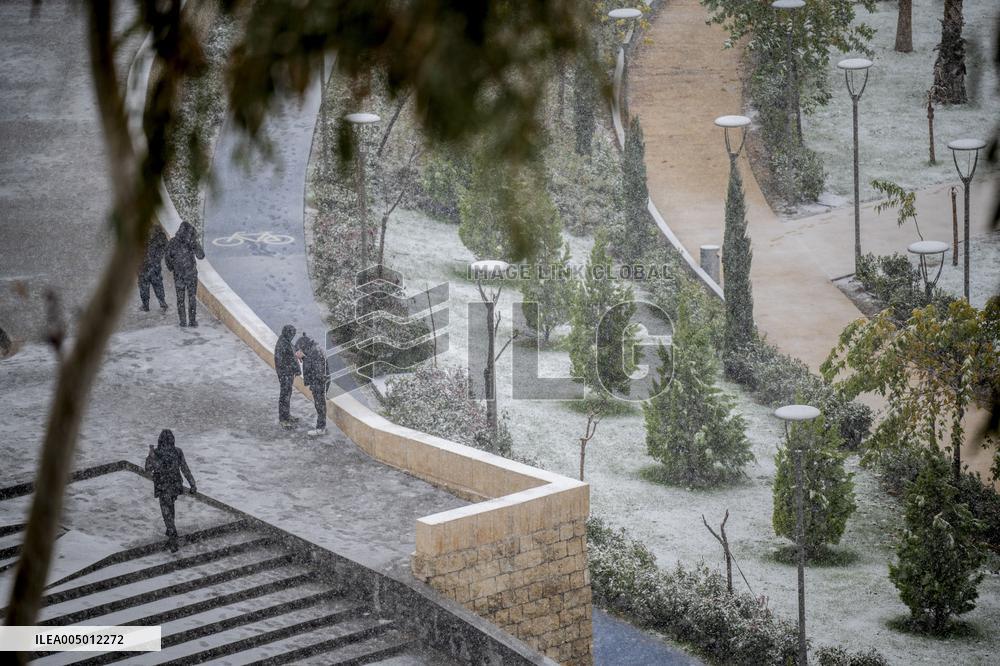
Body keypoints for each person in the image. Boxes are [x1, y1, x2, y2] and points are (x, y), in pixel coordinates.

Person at [145, 429, 196, 552]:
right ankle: (170, 531)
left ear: (160, 440)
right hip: (175, 485)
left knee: (166, 511)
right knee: (170, 509)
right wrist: (192, 484)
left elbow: (148, 469)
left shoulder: (156, 453)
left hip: (163, 486)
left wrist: (150, 455)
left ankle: (173, 537)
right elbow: (184, 468)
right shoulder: (177, 451)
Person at [165, 221, 205, 327]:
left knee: (180, 299)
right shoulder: (191, 241)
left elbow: (167, 257)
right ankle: (192, 321)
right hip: (191, 274)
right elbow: (201, 256)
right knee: (192, 297)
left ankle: (183, 321)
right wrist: (195, 243)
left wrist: (172, 268)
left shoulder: (172, 242)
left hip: (179, 275)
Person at [296, 333, 329, 436]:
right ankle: (321, 427)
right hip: (318, 382)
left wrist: (315, 385)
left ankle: (320, 428)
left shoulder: (315, 353)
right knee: (319, 404)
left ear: (303, 347)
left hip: (319, 383)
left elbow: (319, 372)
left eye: (298, 351)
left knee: (320, 405)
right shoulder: (311, 351)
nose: (297, 353)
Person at [274, 324, 302, 427]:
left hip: (288, 374)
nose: (293, 336)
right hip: (285, 374)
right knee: (284, 396)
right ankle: (283, 419)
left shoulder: (285, 341)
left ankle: (287, 415)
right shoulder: (282, 345)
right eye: (292, 334)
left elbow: (293, 350)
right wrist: (295, 369)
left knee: (287, 395)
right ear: (287, 333)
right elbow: (285, 361)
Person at [139, 226, 169, 312]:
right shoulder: (160, 235)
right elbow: (166, 247)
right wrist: (158, 257)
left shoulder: (142, 234)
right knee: (157, 284)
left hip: (143, 265)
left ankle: (145, 305)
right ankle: (162, 302)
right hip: (154, 265)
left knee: (144, 286)